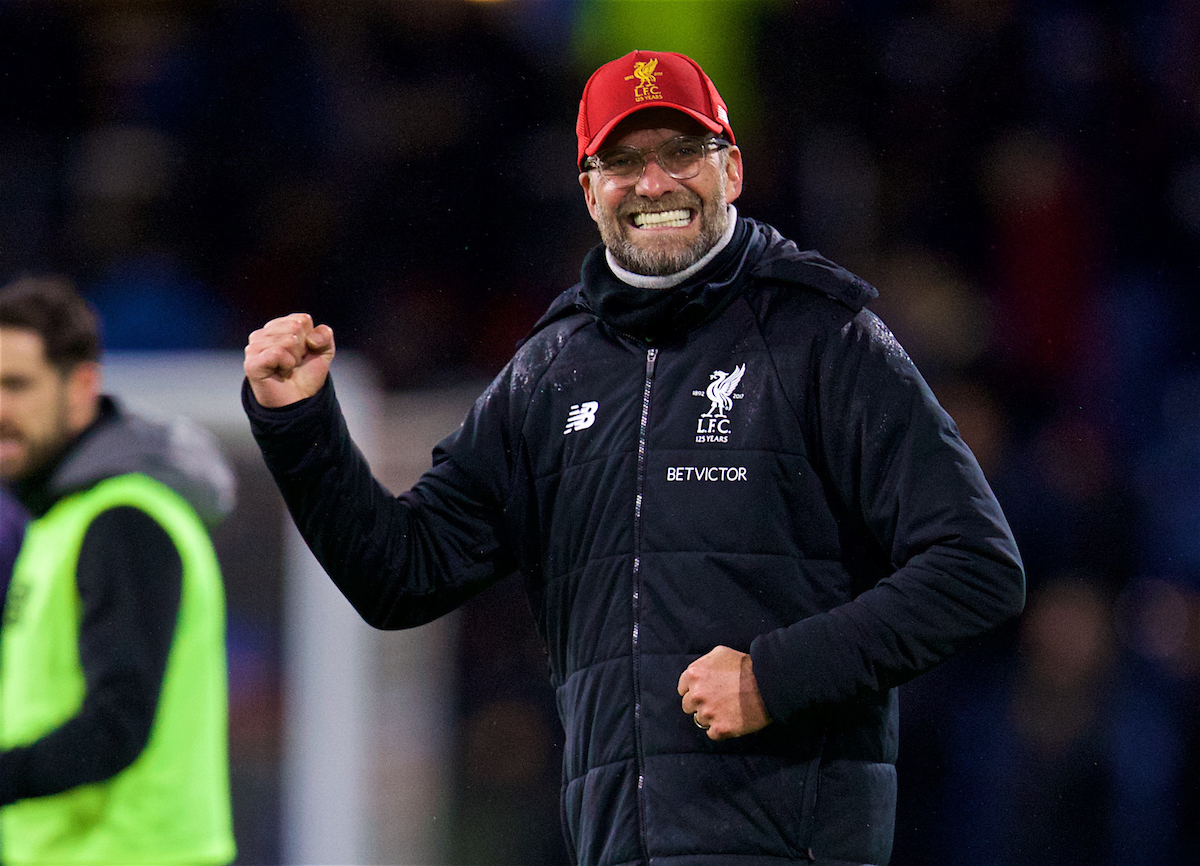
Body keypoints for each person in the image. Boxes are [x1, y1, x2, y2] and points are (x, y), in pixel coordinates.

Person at [243, 50, 1025, 866]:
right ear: (589, 191)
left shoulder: (825, 338)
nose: (654, 184)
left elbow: (976, 567)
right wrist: (298, 424)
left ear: (733, 170)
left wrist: (776, 675)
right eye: (623, 161)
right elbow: (400, 575)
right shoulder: (549, 373)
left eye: (682, 153)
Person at [0, 277, 237, 866]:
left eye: (17, 385)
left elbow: (116, 725)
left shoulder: (121, 520)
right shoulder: (67, 519)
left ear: (81, 388)